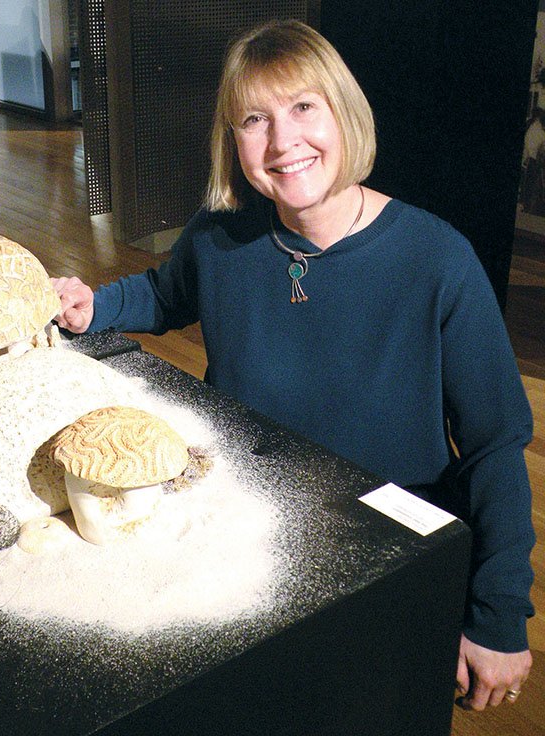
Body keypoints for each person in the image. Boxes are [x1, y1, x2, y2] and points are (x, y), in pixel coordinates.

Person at [52, 20, 535, 711]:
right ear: (233, 141)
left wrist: (497, 615)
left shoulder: (438, 259)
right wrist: (89, 309)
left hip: (387, 558)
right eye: (255, 119)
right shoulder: (221, 238)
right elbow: (165, 292)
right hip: (246, 537)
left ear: (345, 113)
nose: (283, 142)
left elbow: (496, 445)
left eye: (304, 108)